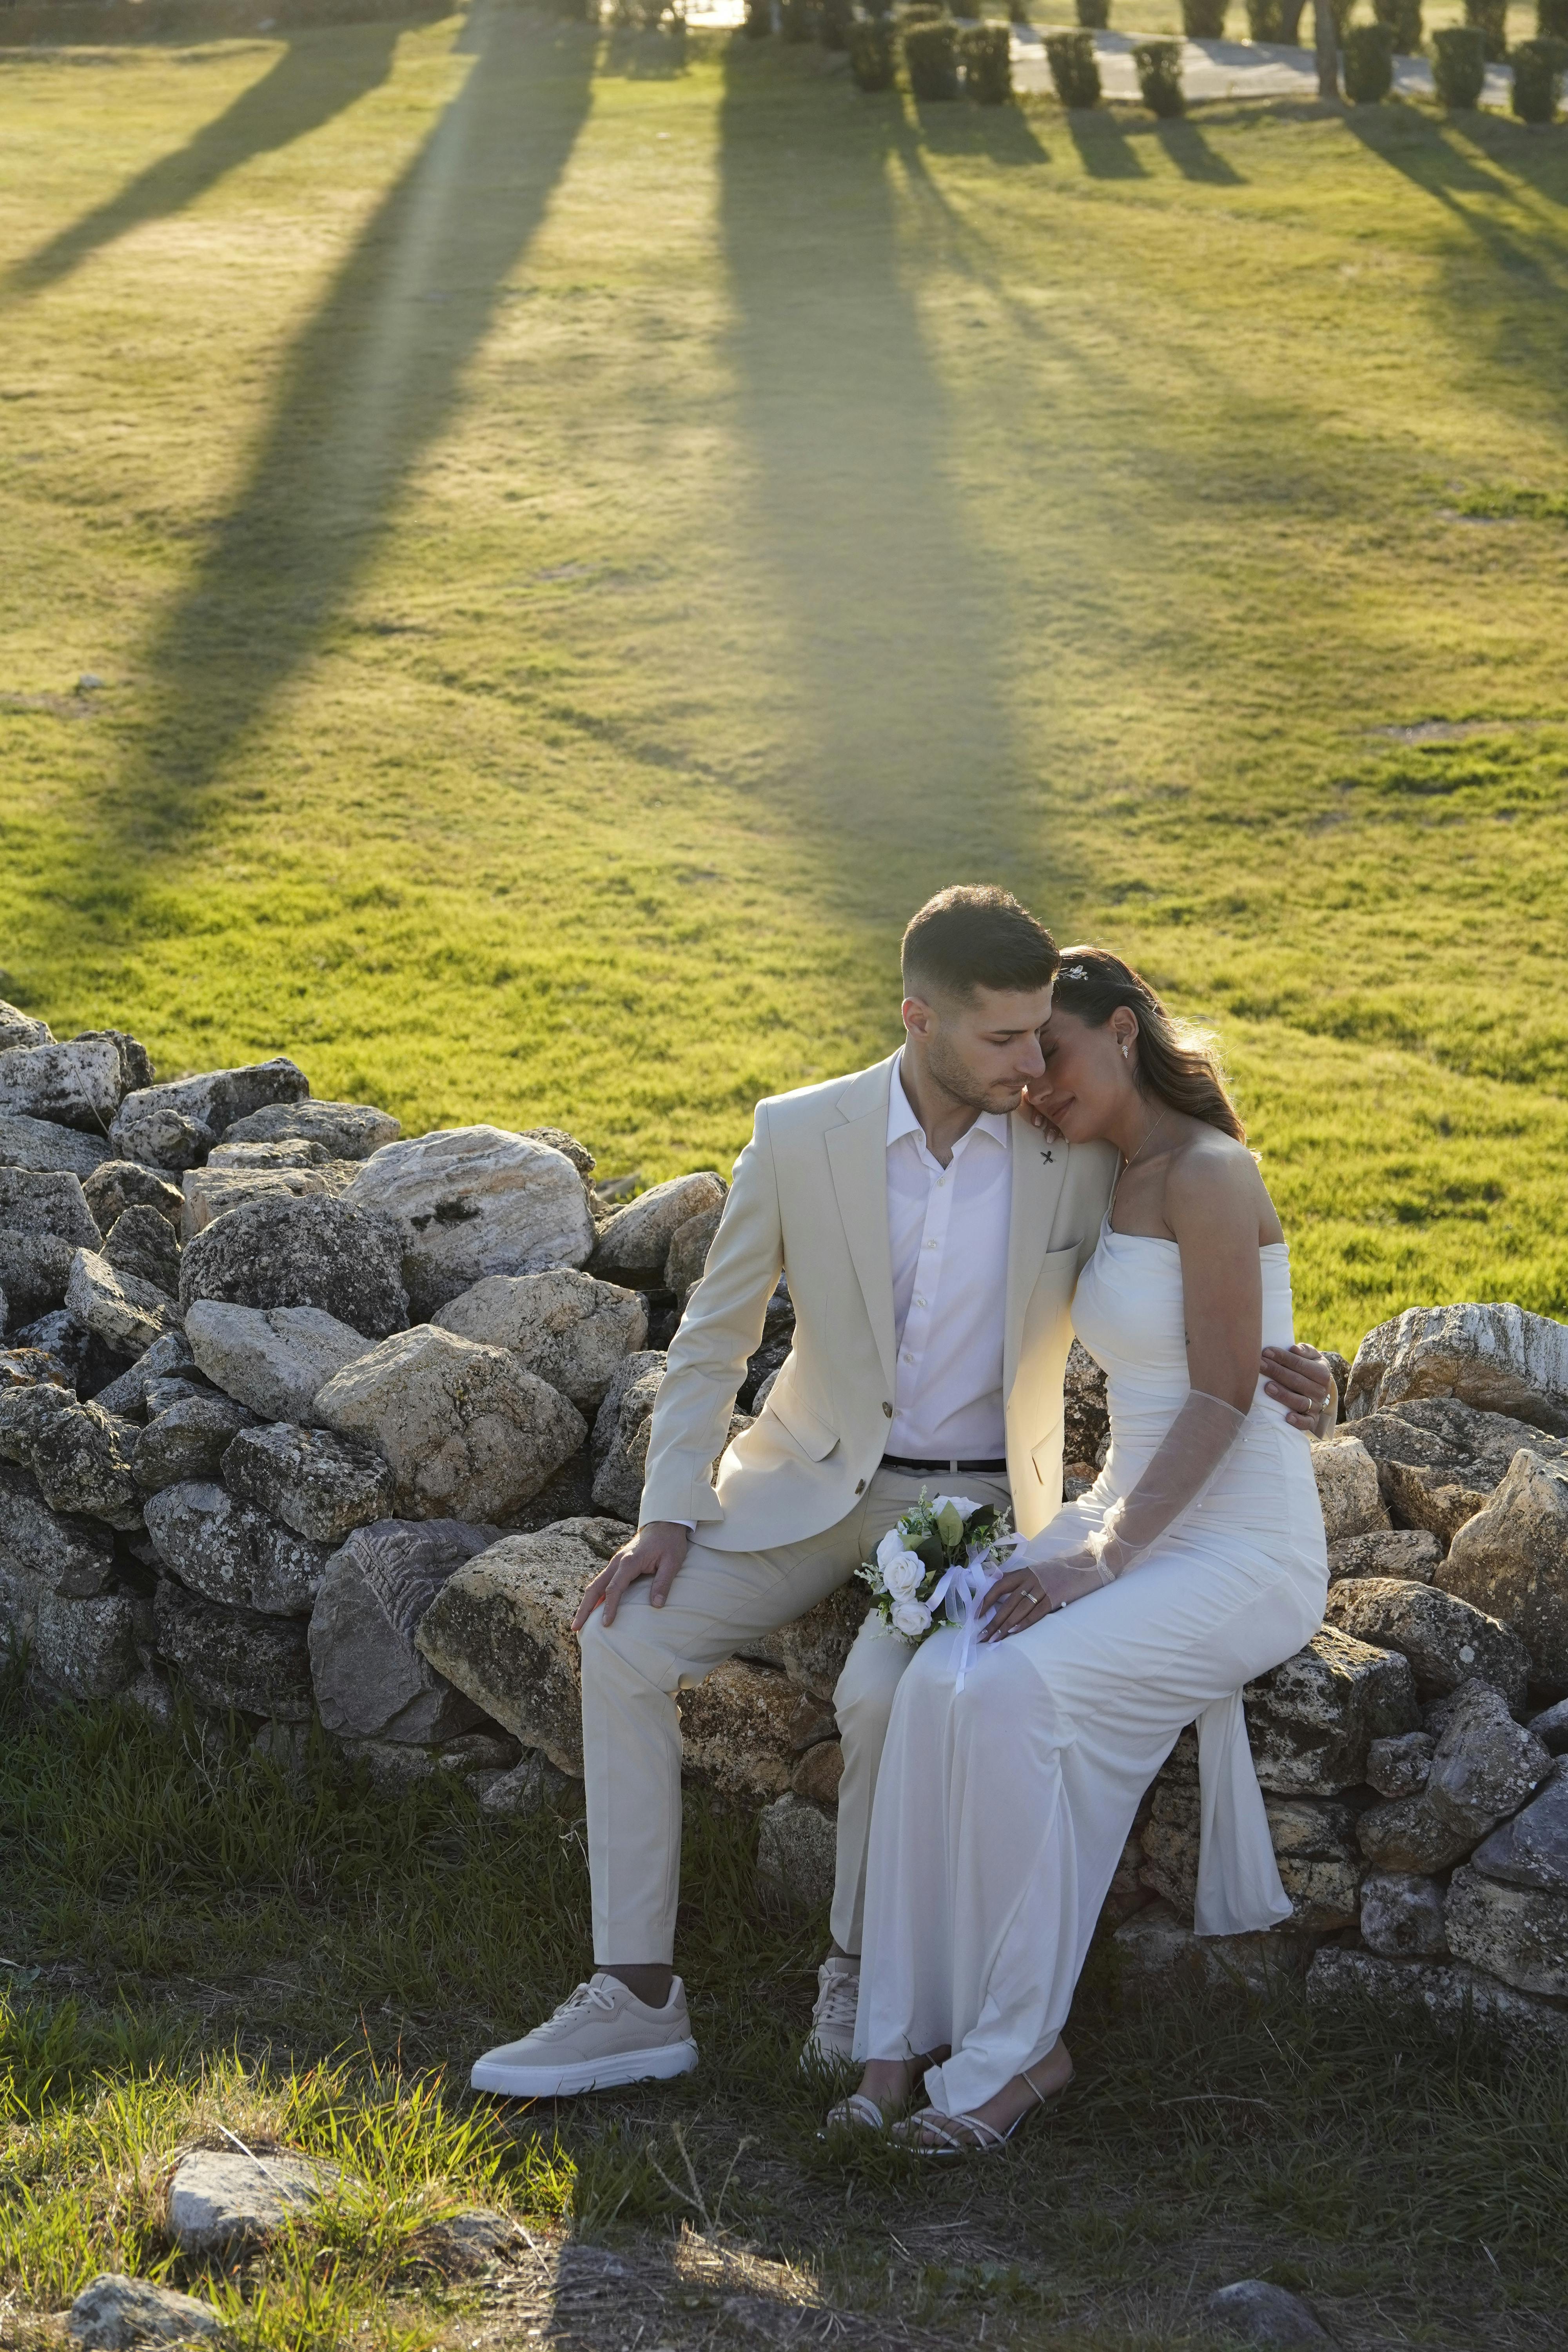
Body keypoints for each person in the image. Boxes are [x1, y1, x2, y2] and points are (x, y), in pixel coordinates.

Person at [470, 900, 1334, 2099]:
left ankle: (859, 1963)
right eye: (1005, 1042)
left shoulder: (1074, 1147)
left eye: (1045, 1039)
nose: (1033, 1068)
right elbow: (713, 1340)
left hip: (982, 1502)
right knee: (620, 1638)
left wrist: (1298, 1361)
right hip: (803, 1486)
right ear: (920, 1021)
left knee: (887, 1694)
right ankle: (635, 1995)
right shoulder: (800, 1133)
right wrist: (669, 1510)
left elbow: (1204, 1274)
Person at [838, 948, 1331, 2154]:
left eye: (1049, 1051)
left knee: (1010, 1691)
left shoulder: (1210, 1171)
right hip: (1129, 1515)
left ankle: (1018, 2059)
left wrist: (1097, 1561)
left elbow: (1222, 1398)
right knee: (936, 1686)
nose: (1032, 1082)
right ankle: (897, 2040)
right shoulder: (1101, 1169)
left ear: (1122, 1032)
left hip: (1238, 1547)